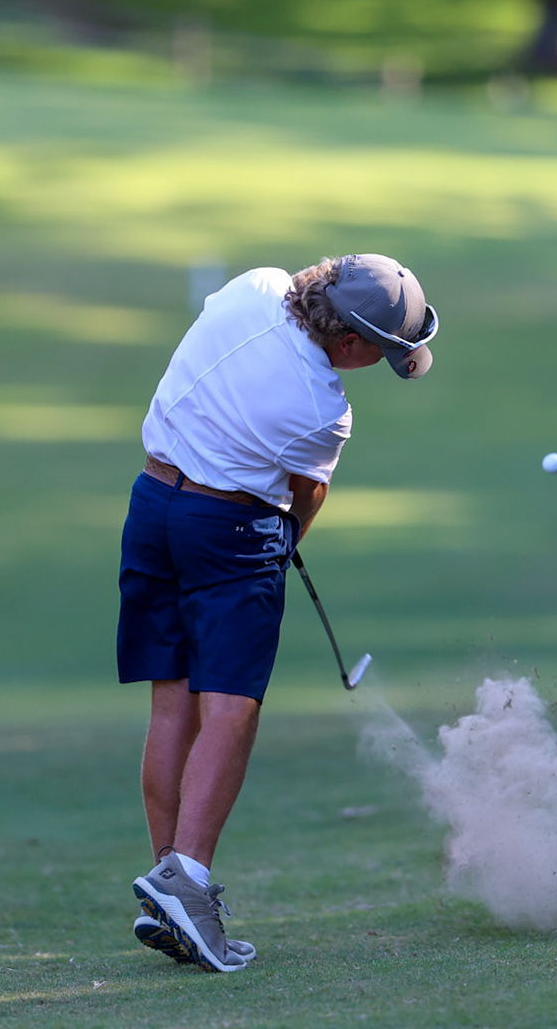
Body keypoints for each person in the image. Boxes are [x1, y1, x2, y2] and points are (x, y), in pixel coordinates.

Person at [119, 254, 438, 972]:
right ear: (351, 344)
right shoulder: (324, 407)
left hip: (151, 505)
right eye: (380, 352)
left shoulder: (254, 284)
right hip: (228, 531)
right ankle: (188, 880)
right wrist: (282, 539)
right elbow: (305, 498)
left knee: (172, 703)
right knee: (231, 707)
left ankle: (169, 884)